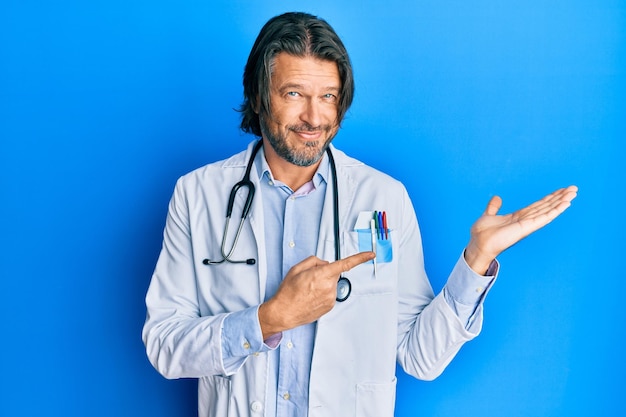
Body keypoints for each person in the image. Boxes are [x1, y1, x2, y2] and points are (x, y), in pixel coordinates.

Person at [142, 11, 577, 417]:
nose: (314, 117)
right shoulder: (198, 194)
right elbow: (163, 344)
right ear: (259, 96)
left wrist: (477, 260)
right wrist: (269, 319)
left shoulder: (383, 198)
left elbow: (420, 357)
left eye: (327, 96)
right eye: (294, 94)